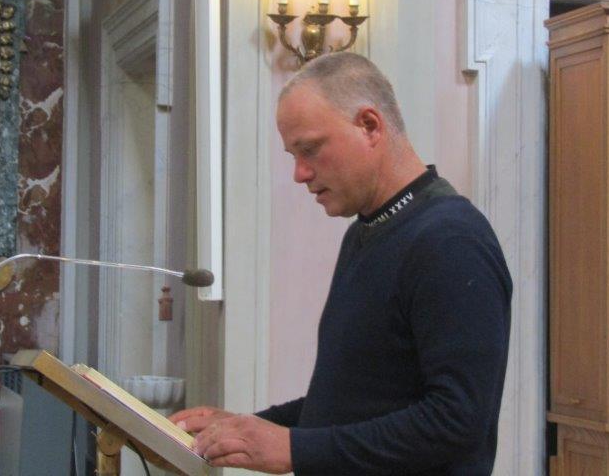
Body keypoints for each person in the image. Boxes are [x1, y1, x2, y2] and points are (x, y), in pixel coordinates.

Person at [170, 52, 512, 475]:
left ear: (369, 125)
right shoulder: (366, 232)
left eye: (310, 149)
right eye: (293, 155)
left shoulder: (451, 239)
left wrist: (296, 449)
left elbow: (456, 421)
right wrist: (250, 428)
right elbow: (352, 405)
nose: (299, 173)